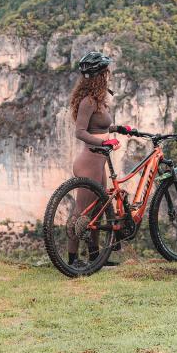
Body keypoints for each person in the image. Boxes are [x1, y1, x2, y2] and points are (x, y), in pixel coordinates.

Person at [68, 51, 132, 266]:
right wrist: (104, 143)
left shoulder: (99, 100)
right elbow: (80, 131)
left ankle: (95, 257)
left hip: (99, 163)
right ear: (99, 76)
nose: (108, 75)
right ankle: (73, 258)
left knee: (96, 210)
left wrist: (118, 128)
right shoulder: (88, 101)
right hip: (89, 162)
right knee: (81, 213)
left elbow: (99, 126)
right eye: (106, 73)